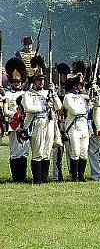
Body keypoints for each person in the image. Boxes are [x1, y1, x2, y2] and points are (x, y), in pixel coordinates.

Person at [21, 55, 62, 183]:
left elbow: (59, 107)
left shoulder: (47, 92)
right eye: (38, 80)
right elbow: (28, 108)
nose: (41, 82)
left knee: (47, 151)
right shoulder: (28, 94)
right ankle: (37, 179)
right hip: (37, 124)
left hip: (49, 123)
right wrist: (44, 106)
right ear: (34, 81)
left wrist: (54, 93)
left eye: (42, 80)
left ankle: (44, 179)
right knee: (37, 151)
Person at [4, 58, 29, 182]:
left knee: (24, 151)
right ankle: (16, 177)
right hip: (13, 124)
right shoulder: (7, 95)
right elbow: (5, 111)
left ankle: (23, 177)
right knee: (14, 151)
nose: (17, 84)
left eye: (18, 82)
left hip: (24, 125)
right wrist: (16, 114)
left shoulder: (26, 94)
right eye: (14, 82)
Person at [62, 72, 90, 181]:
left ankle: (81, 176)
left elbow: (97, 103)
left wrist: (95, 91)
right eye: (81, 85)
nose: (82, 87)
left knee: (83, 152)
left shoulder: (83, 97)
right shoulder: (68, 97)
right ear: (75, 85)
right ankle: (74, 176)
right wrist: (87, 108)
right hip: (74, 127)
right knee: (75, 152)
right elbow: (74, 111)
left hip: (84, 126)